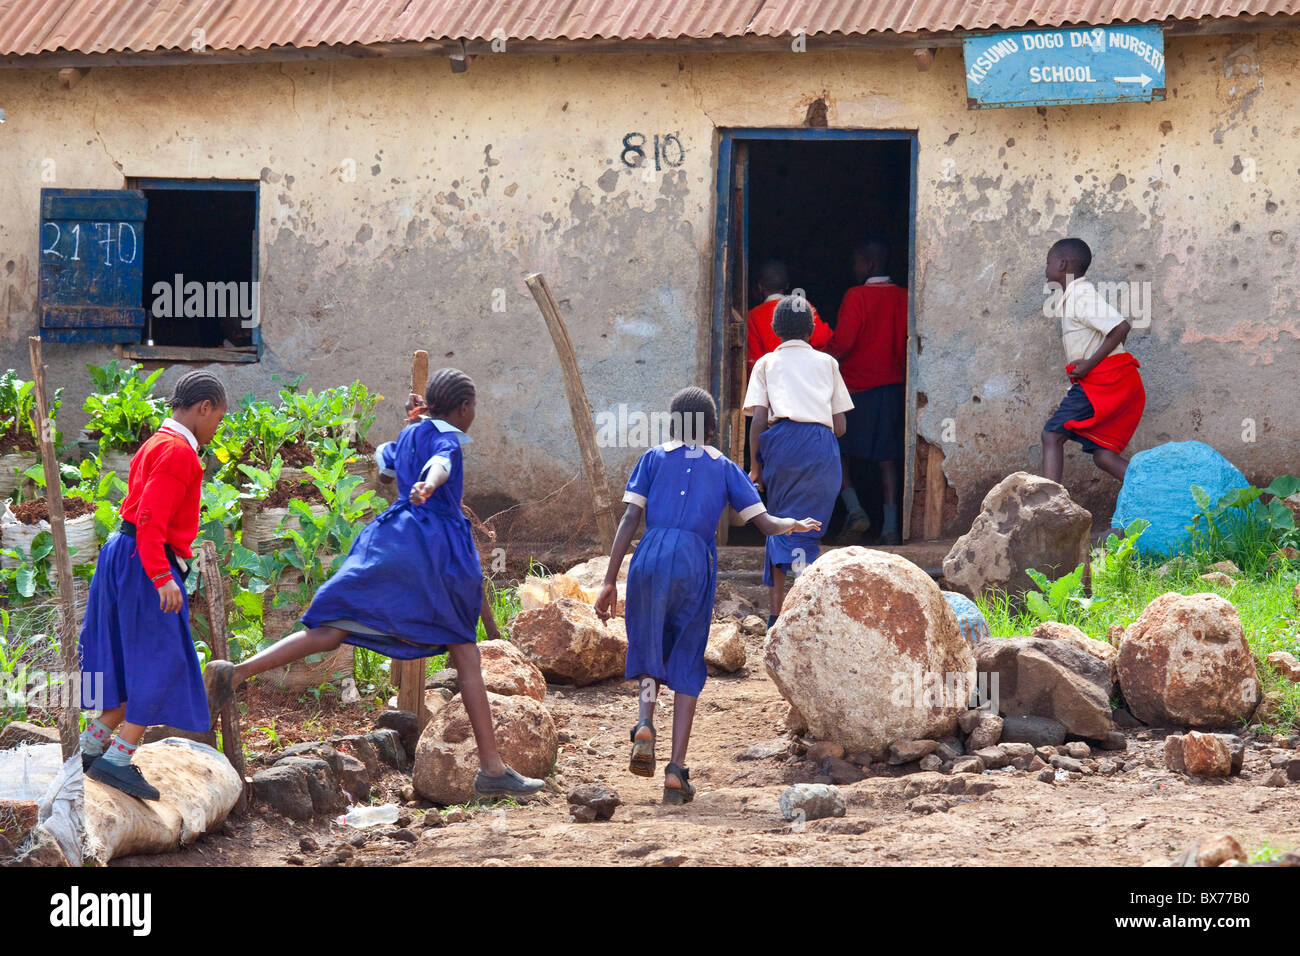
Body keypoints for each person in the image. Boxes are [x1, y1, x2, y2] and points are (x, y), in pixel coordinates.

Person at [204, 368, 544, 799]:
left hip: (389, 539)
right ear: (462, 408)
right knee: (465, 652)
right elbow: (441, 461)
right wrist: (429, 481)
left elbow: (384, 470)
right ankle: (492, 767)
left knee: (331, 630)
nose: (472, 415)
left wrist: (409, 446)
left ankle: (238, 672)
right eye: (472, 408)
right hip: (435, 550)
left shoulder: (408, 435)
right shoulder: (446, 438)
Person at [593, 387, 820, 805]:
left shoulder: (653, 458)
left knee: (649, 646)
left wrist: (610, 580)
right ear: (713, 428)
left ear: (673, 425)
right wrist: (793, 524)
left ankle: (645, 723)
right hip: (693, 562)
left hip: (649, 556)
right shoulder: (725, 467)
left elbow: (629, 518)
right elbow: (765, 524)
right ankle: (676, 771)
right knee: (685, 655)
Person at [79, 371, 228, 800]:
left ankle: (91, 747)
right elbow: (149, 519)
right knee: (164, 660)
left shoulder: (155, 442)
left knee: (128, 659)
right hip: (145, 561)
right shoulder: (179, 452)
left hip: (123, 554)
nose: (216, 429)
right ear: (203, 408)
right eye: (217, 419)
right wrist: (163, 576)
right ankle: (118, 759)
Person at [745, 294, 852, 625]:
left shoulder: (765, 364)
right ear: (812, 327)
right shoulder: (827, 364)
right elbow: (840, 426)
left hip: (781, 445)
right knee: (809, 528)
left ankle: (777, 614)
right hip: (821, 447)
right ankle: (803, 612)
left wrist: (756, 465)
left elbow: (758, 420)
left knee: (780, 523)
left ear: (775, 328)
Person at [1040, 237, 1145, 484]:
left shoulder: (1081, 296)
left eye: (1048, 262)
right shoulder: (1073, 296)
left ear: (1062, 264)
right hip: (1112, 379)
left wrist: (1089, 364)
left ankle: (1048, 503)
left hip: (1105, 382)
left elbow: (1120, 327)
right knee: (1104, 455)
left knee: (1051, 435)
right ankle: (1154, 493)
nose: (1045, 268)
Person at [825, 240, 908, 544]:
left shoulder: (856, 295)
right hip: (893, 387)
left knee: (838, 451)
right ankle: (890, 528)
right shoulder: (904, 296)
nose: (853, 268)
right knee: (887, 457)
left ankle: (855, 509)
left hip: (856, 387)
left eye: (857, 262)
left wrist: (823, 356)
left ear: (869, 265)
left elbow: (844, 343)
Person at [746, 259, 832, 373]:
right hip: (805, 377)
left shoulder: (752, 316)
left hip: (774, 382)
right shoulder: (803, 307)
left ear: (760, 287)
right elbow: (824, 340)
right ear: (787, 285)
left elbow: (754, 362)